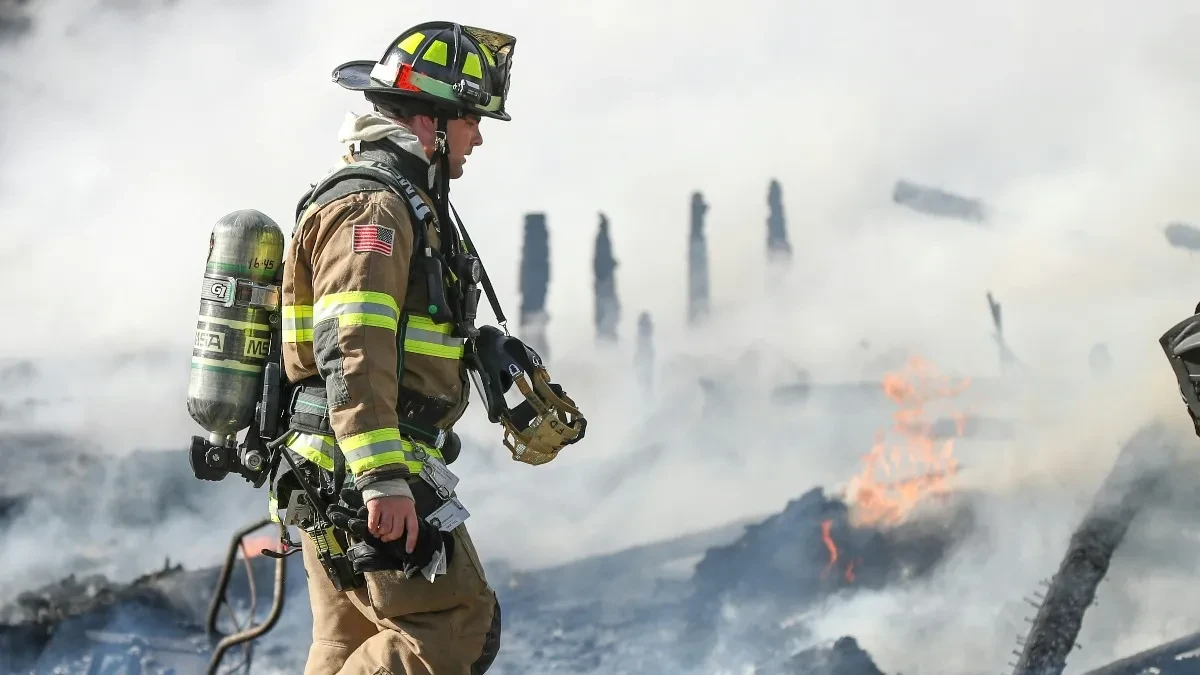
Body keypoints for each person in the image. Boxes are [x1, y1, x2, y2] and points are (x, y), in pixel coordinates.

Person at [276, 21, 516, 674]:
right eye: (472, 119)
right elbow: (352, 344)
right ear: (432, 122)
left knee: (346, 643)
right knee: (456, 628)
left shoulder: (400, 200)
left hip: (335, 462)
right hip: (364, 466)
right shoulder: (374, 210)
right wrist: (382, 477)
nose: (479, 136)